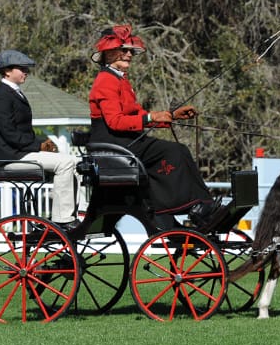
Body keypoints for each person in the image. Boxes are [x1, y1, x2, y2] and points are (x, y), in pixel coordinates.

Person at [87, 24, 218, 228]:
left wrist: (171, 116)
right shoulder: (106, 80)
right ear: (109, 53)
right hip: (113, 144)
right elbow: (115, 121)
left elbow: (137, 114)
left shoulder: (120, 80)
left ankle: (200, 204)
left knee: (178, 150)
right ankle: (193, 206)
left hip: (126, 141)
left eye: (131, 51)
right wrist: (150, 118)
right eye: (124, 50)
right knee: (173, 151)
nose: (129, 55)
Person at [0, 50, 79, 231]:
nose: (26, 72)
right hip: (11, 158)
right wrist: (39, 145)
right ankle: (62, 219)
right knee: (66, 163)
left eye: (26, 69)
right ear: (7, 71)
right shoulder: (1, 97)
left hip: (21, 153)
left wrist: (43, 143)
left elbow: (23, 132)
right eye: (21, 68)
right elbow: (10, 134)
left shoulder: (14, 93)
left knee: (75, 162)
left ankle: (72, 213)